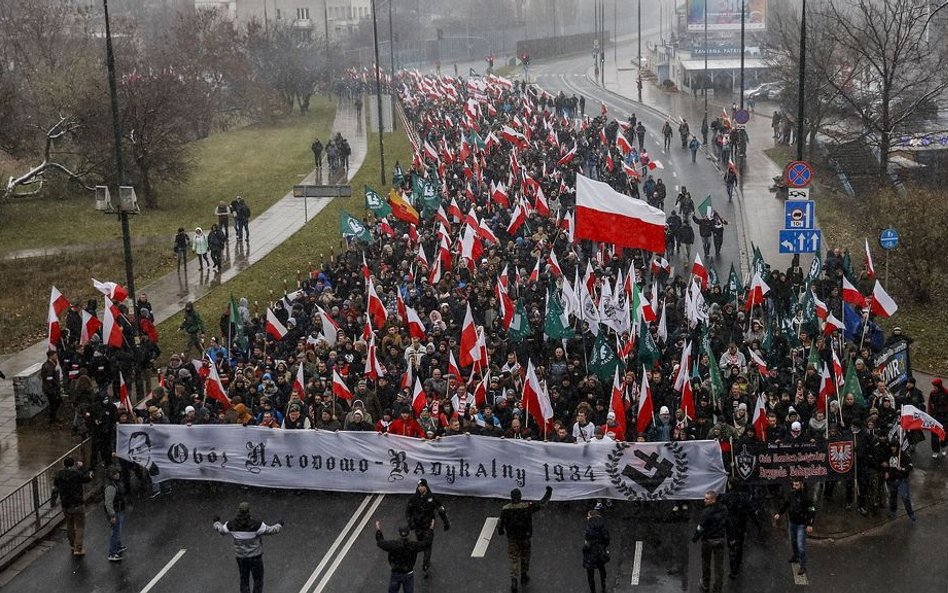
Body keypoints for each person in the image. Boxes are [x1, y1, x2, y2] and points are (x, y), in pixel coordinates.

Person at [214, 502, 283, 593]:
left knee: (244, 580)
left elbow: (221, 531)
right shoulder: (257, 525)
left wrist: (216, 522)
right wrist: (279, 524)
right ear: (249, 511)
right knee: (258, 580)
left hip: (241, 558)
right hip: (255, 557)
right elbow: (271, 531)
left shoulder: (231, 524)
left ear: (238, 511)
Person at [498, 485, 553, 592]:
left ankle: (514, 579)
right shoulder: (527, 507)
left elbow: (501, 522)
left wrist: (500, 531)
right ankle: (524, 575)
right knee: (525, 556)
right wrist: (549, 492)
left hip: (513, 538)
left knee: (513, 558)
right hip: (525, 537)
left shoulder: (506, 509)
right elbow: (542, 503)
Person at [404, 478, 450, 575]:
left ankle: (426, 564)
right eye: (419, 486)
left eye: (422, 486)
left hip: (428, 525)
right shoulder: (414, 499)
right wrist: (410, 522)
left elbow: (441, 509)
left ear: (426, 486)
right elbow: (408, 512)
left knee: (427, 546)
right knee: (420, 544)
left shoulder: (432, 498)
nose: (420, 488)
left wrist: (446, 522)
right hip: (418, 526)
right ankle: (415, 561)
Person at [51, 456, 94, 556]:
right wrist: (83, 467)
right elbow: (88, 478)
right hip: (77, 503)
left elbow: (55, 489)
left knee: (69, 525)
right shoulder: (76, 474)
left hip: (65, 504)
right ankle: (78, 548)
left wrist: (53, 501)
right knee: (80, 526)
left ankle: (72, 544)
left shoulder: (59, 475)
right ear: (73, 464)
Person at [375, 520, 432, 593]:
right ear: (408, 532)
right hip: (408, 573)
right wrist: (430, 531)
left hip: (396, 572)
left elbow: (380, 543)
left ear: (399, 532)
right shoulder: (413, 545)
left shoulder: (393, 545)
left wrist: (378, 530)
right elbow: (426, 544)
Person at [774, 478, 815, 576]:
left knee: (800, 545)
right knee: (793, 541)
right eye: (794, 485)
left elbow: (812, 510)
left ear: (801, 485)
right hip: (792, 523)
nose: (795, 487)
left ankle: (802, 565)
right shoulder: (791, 495)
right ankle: (796, 556)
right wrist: (779, 513)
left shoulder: (807, 497)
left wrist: (810, 524)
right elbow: (786, 504)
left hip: (801, 524)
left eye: (797, 485)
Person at [692, 490, 728, 593]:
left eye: (707, 499)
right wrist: (731, 538)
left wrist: (695, 537)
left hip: (708, 541)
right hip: (720, 540)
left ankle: (705, 584)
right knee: (719, 567)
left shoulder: (706, 512)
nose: (704, 500)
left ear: (713, 499)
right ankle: (718, 588)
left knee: (706, 563)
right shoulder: (724, 509)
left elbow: (701, 527)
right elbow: (728, 523)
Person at [882, 442, 916, 521]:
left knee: (905, 496)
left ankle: (910, 513)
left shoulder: (903, 455)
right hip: (891, 479)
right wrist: (886, 472)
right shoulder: (888, 455)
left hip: (902, 479)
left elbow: (910, 466)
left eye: (894, 446)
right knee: (893, 497)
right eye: (891, 446)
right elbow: (885, 465)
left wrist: (902, 469)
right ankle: (893, 512)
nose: (892, 448)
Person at [582, 504, 610, 593]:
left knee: (590, 573)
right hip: (600, 550)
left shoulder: (590, 525)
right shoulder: (603, 524)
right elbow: (607, 538)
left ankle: (593, 590)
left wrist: (585, 548)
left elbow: (587, 539)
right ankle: (603, 584)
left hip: (591, 552)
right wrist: (603, 547)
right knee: (601, 568)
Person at [103, 465, 127, 562]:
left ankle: (118, 546)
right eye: (116, 473)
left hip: (118, 509)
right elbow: (108, 503)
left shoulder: (113, 484)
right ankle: (112, 553)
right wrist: (112, 515)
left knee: (117, 530)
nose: (118, 474)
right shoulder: (110, 487)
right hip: (116, 512)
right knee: (115, 532)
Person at [41, 349, 62, 425]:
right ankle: (52, 420)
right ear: (51, 356)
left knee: (57, 402)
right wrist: (54, 389)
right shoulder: (48, 366)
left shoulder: (53, 364)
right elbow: (49, 379)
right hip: (50, 389)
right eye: (55, 355)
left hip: (54, 388)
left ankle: (54, 417)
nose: (56, 356)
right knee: (54, 403)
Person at [929, 378, 948, 457]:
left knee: (945, 434)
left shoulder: (946, 393)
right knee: (934, 435)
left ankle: (943, 446)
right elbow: (930, 404)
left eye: (935, 386)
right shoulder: (932, 393)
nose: (934, 387)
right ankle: (935, 450)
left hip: (945, 416)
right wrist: (930, 415)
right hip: (936, 416)